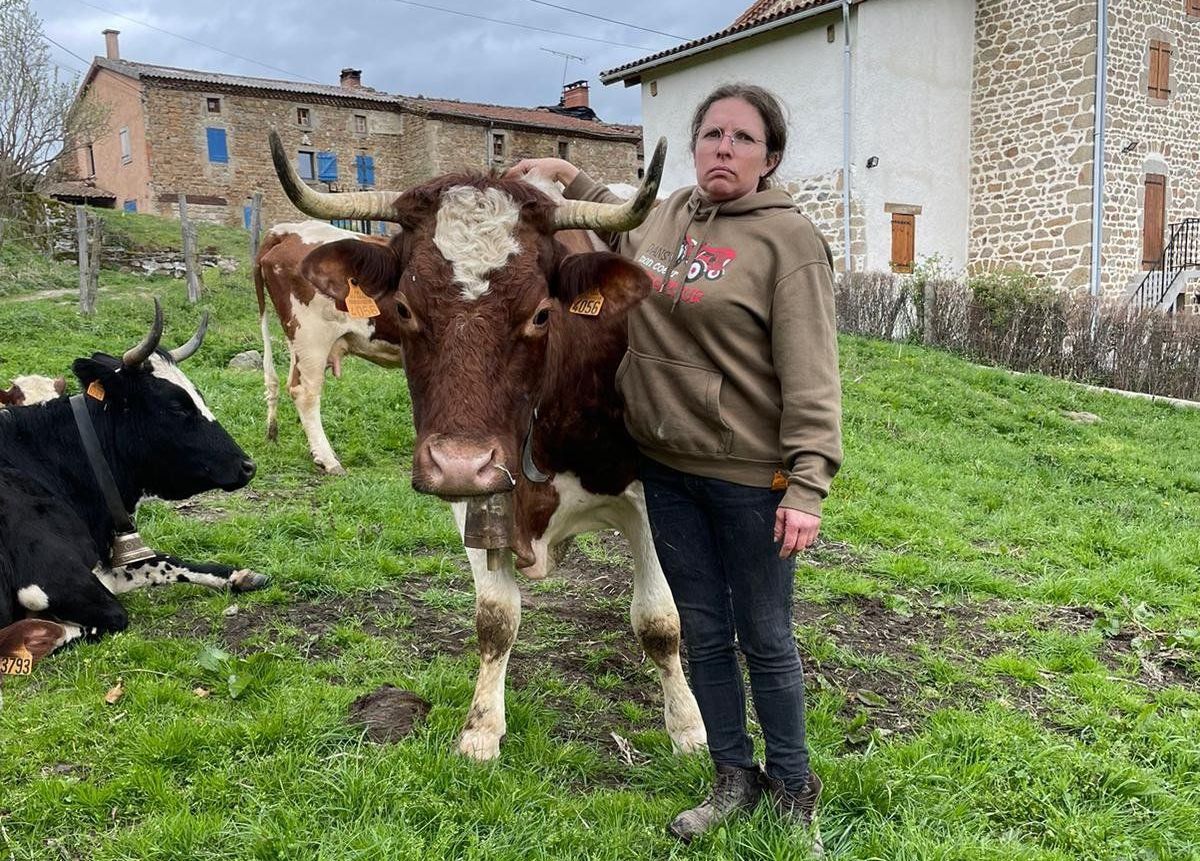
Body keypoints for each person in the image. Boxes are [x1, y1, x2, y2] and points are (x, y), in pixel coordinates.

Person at [508, 83, 841, 850]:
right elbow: (623, 227)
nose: (724, 148)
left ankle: (793, 788)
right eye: (712, 134)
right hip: (664, 466)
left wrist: (809, 483)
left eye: (743, 139)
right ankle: (734, 777)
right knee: (705, 631)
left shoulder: (788, 244)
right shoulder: (671, 212)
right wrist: (566, 172)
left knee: (766, 635)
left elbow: (814, 375)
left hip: (753, 476)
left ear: (770, 157)